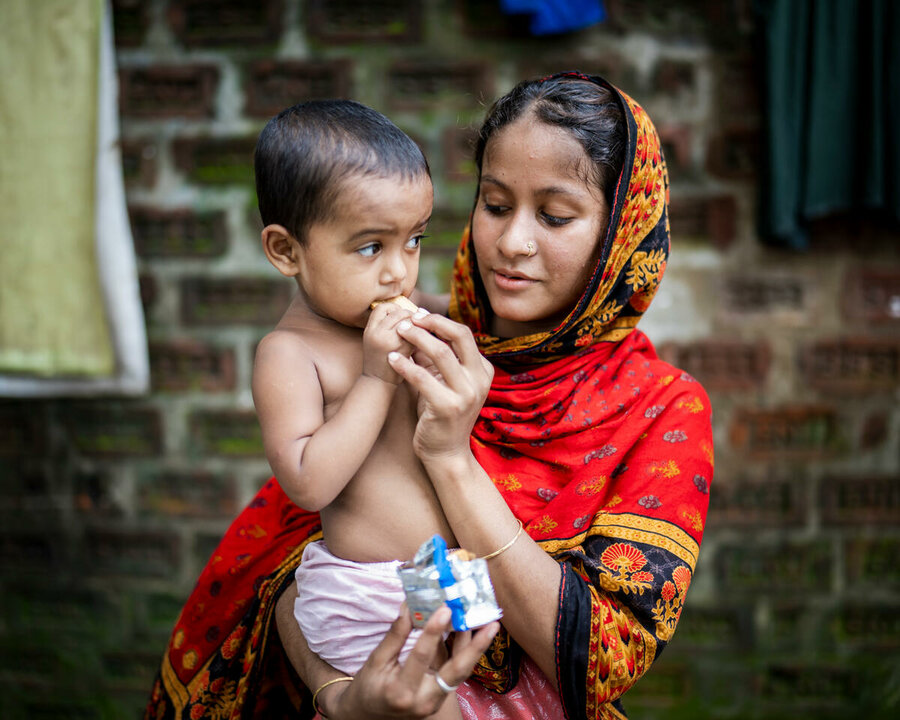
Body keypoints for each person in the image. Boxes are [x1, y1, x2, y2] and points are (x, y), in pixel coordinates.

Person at [144, 72, 713, 720]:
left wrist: (450, 458)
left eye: (554, 215)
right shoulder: (407, 342)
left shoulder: (656, 408)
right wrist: (341, 696)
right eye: (495, 204)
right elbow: (293, 558)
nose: (512, 242)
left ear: (621, 233)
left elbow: (594, 656)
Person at [251, 98, 491, 719]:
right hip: (364, 598)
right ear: (286, 251)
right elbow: (307, 482)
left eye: (413, 241)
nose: (398, 273)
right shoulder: (289, 353)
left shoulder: (401, 316)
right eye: (368, 248)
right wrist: (375, 377)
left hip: (440, 575)